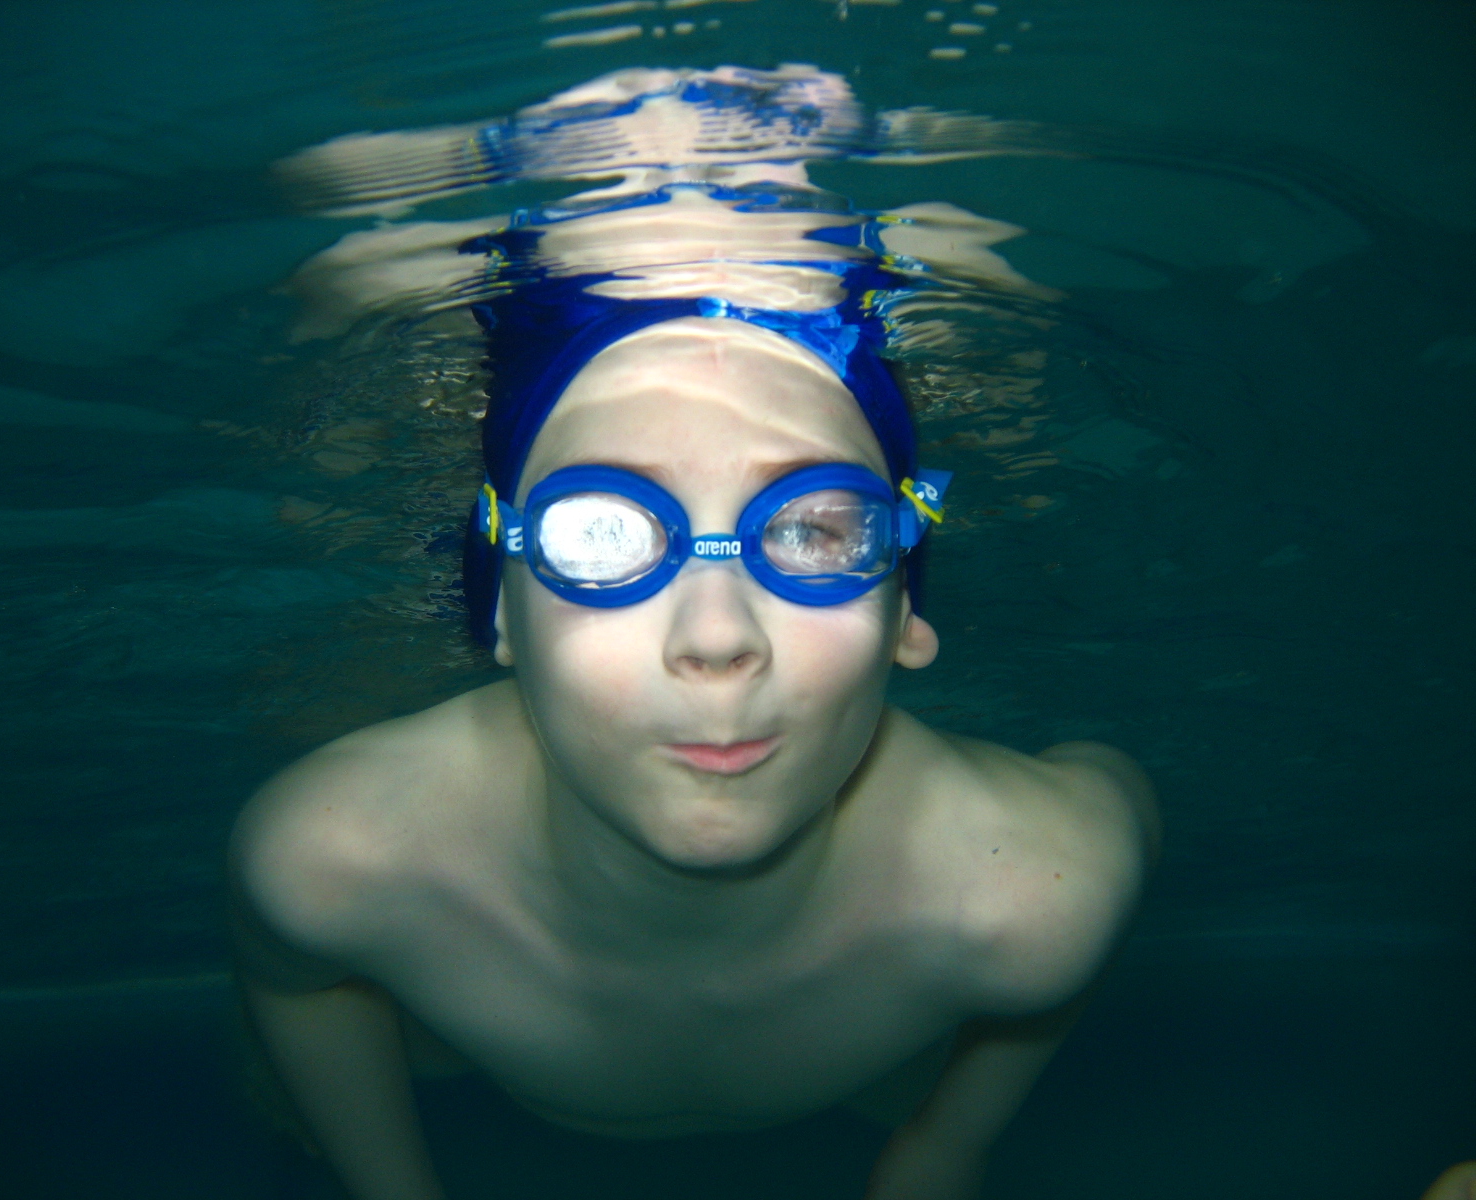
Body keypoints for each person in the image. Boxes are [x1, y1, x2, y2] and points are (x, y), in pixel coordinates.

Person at [232, 66, 1160, 1200]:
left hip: (860, 1072)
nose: (716, 637)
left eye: (814, 533)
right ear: (499, 609)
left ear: (904, 609)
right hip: (478, 1047)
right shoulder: (334, 863)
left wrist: (947, 1141)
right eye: (603, 535)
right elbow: (293, 978)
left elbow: (1118, 802)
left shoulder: (1030, 895)